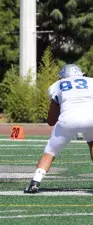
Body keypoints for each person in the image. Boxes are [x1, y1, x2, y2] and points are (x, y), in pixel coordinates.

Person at [24, 64, 93, 193]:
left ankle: (35, 181)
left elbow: (51, 119)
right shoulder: (91, 81)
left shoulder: (57, 85)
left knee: (50, 152)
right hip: (92, 118)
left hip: (68, 119)